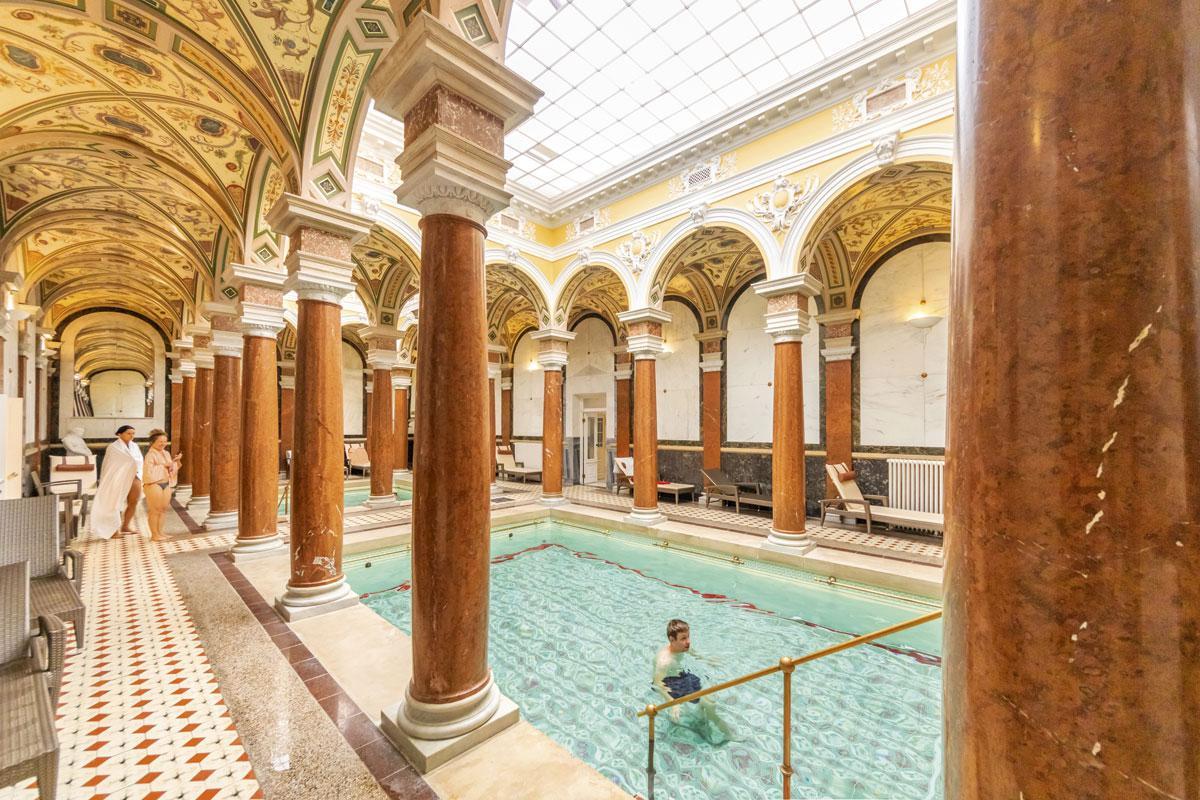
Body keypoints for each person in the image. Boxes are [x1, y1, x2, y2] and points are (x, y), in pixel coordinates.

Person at [653, 619, 736, 743]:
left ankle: (727, 734)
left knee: (710, 705)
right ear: (672, 639)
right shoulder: (665, 662)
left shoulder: (683, 647)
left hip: (682, 675)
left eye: (688, 637)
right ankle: (704, 724)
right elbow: (657, 683)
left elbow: (694, 653)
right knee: (705, 705)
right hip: (670, 682)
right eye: (683, 638)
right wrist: (672, 703)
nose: (688, 642)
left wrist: (708, 660)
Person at [90, 425, 140, 539]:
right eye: (129, 433)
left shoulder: (135, 446)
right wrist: (131, 463)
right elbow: (114, 464)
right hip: (117, 478)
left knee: (134, 501)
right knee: (115, 503)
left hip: (134, 476)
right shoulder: (113, 447)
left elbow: (139, 460)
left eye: (133, 433)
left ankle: (126, 526)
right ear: (120, 434)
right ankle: (113, 530)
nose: (131, 436)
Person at [142, 429, 181, 542]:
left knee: (163, 510)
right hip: (154, 485)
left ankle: (161, 532)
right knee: (154, 510)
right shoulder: (150, 455)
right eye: (160, 441)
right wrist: (164, 465)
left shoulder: (166, 453)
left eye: (165, 441)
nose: (163, 444)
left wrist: (176, 461)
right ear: (152, 442)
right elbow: (148, 473)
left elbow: (171, 469)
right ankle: (154, 534)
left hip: (165, 483)